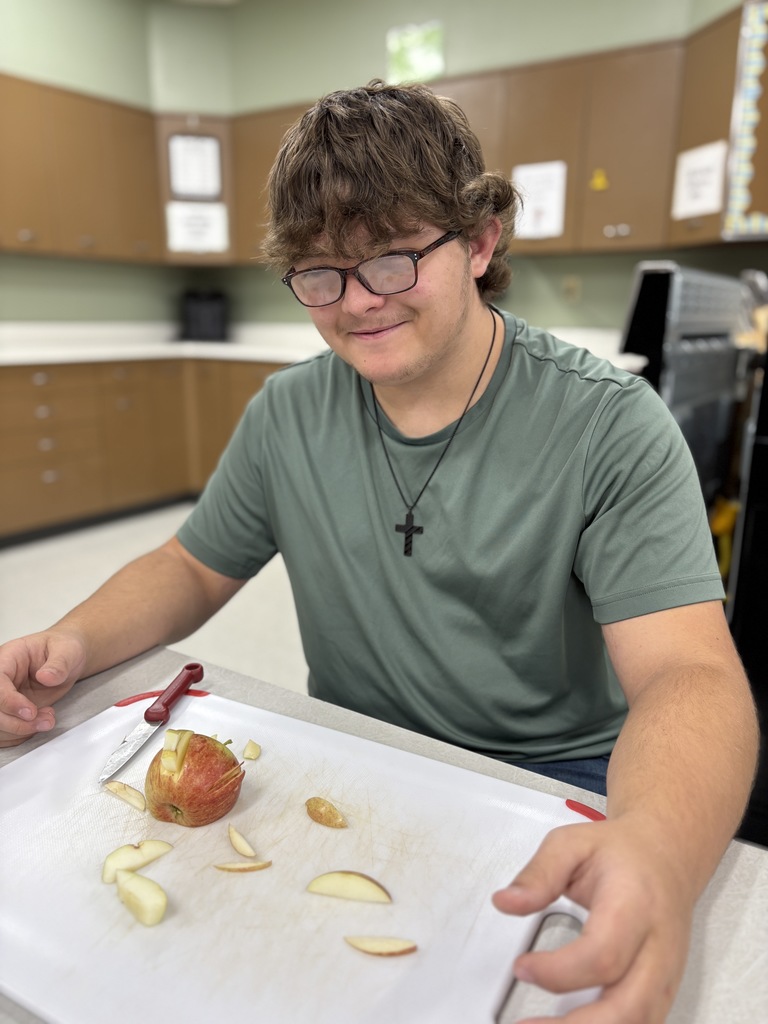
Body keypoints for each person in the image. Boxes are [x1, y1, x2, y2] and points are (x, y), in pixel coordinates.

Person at [0, 81, 758, 1023]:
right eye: (320, 274)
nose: (357, 303)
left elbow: (690, 675)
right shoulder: (287, 412)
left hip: (549, 782)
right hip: (355, 757)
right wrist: (68, 643)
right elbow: (192, 566)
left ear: (479, 241)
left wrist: (658, 850)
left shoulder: (609, 427)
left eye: (393, 260)